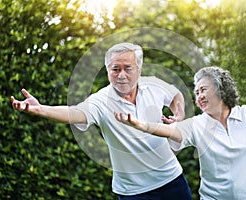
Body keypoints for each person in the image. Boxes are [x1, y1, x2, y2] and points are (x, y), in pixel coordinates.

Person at [11, 43, 193, 200]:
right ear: (108, 71)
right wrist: (41, 109)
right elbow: (74, 113)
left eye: (127, 68)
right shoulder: (101, 100)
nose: (121, 75)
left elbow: (176, 95)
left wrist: (179, 115)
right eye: (115, 69)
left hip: (172, 180)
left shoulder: (154, 85)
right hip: (134, 191)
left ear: (139, 69)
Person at [114, 66, 246, 200]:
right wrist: (141, 125)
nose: (199, 96)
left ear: (220, 89)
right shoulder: (197, 124)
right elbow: (171, 131)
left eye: (203, 90)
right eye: (197, 92)